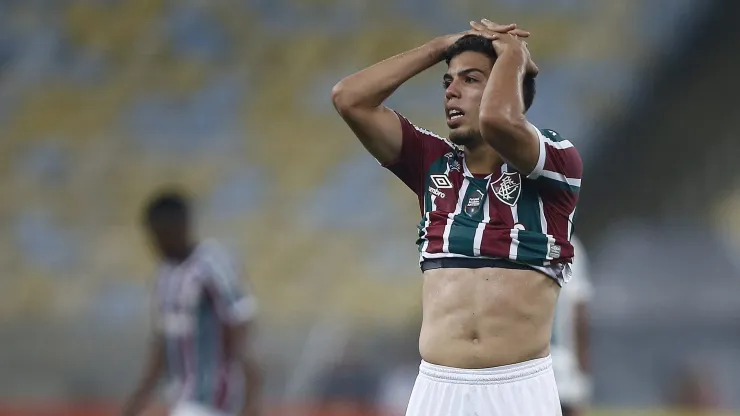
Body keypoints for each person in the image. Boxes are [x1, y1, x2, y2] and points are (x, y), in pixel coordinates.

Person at [332, 18, 582, 416]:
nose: (451, 90)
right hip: (437, 389)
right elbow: (349, 98)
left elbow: (499, 122)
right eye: (447, 81)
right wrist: (439, 46)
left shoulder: (556, 163)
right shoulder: (430, 164)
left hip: (517, 390)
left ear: (510, 89)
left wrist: (513, 54)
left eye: (470, 80)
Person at [122, 190, 262, 416]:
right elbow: (162, 342)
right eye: (156, 233)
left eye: (166, 232)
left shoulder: (212, 267)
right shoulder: (163, 276)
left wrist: (253, 399)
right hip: (181, 397)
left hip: (214, 397)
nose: (160, 240)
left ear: (184, 226)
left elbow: (241, 331)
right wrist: (140, 396)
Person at [551, 235, 593, 416]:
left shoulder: (512, 237)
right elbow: (580, 314)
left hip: (528, 365)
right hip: (563, 363)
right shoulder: (570, 244)